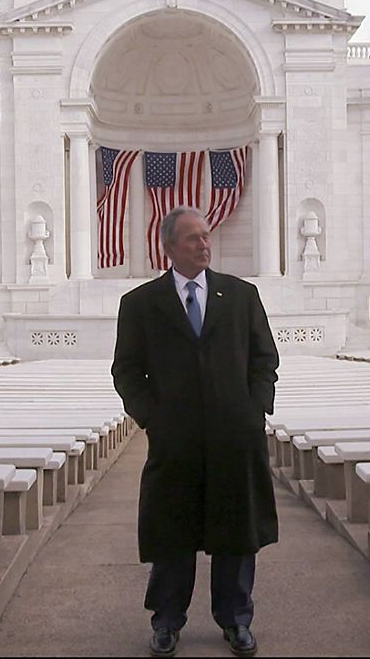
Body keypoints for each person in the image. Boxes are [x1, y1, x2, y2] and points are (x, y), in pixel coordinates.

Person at [111, 206, 280, 658]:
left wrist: (254, 410)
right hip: (175, 442)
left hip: (235, 438)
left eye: (206, 236)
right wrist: (152, 418)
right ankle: (166, 621)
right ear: (167, 247)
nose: (204, 244)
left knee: (236, 534)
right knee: (173, 534)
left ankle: (236, 619)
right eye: (192, 238)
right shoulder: (141, 305)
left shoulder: (242, 296)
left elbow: (265, 359)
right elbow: (126, 371)